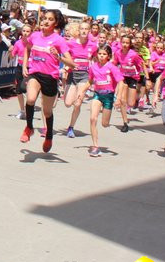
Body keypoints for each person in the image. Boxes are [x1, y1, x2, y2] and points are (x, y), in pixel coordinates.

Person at [20, 9, 74, 152]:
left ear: (55, 23)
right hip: (35, 74)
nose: (46, 21)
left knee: (47, 111)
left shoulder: (59, 40)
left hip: (50, 77)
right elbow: (27, 48)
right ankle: (29, 128)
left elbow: (72, 63)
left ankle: (49, 136)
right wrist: (25, 65)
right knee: (30, 99)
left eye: (50, 19)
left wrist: (59, 57)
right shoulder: (35, 35)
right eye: (45, 18)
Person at [87, 44, 123, 157]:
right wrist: (81, 92)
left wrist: (119, 98)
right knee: (93, 119)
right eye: (99, 54)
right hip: (97, 94)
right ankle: (95, 146)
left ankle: (105, 114)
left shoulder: (112, 67)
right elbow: (90, 81)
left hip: (109, 96)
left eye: (104, 54)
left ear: (108, 56)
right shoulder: (93, 67)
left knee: (105, 124)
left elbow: (121, 82)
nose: (101, 56)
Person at [62, 21, 95, 138]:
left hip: (84, 76)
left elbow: (96, 59)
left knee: (78, 103)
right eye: (82, 29)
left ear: (89, 31)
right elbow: (66, 57)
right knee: (67, 103)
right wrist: (66, 67)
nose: (84, 31)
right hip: (72, 75)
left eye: (86, 29)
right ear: (79, 30)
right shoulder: (71, 44)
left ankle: (71, 127)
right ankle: (71, 94)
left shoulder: (93, 45)